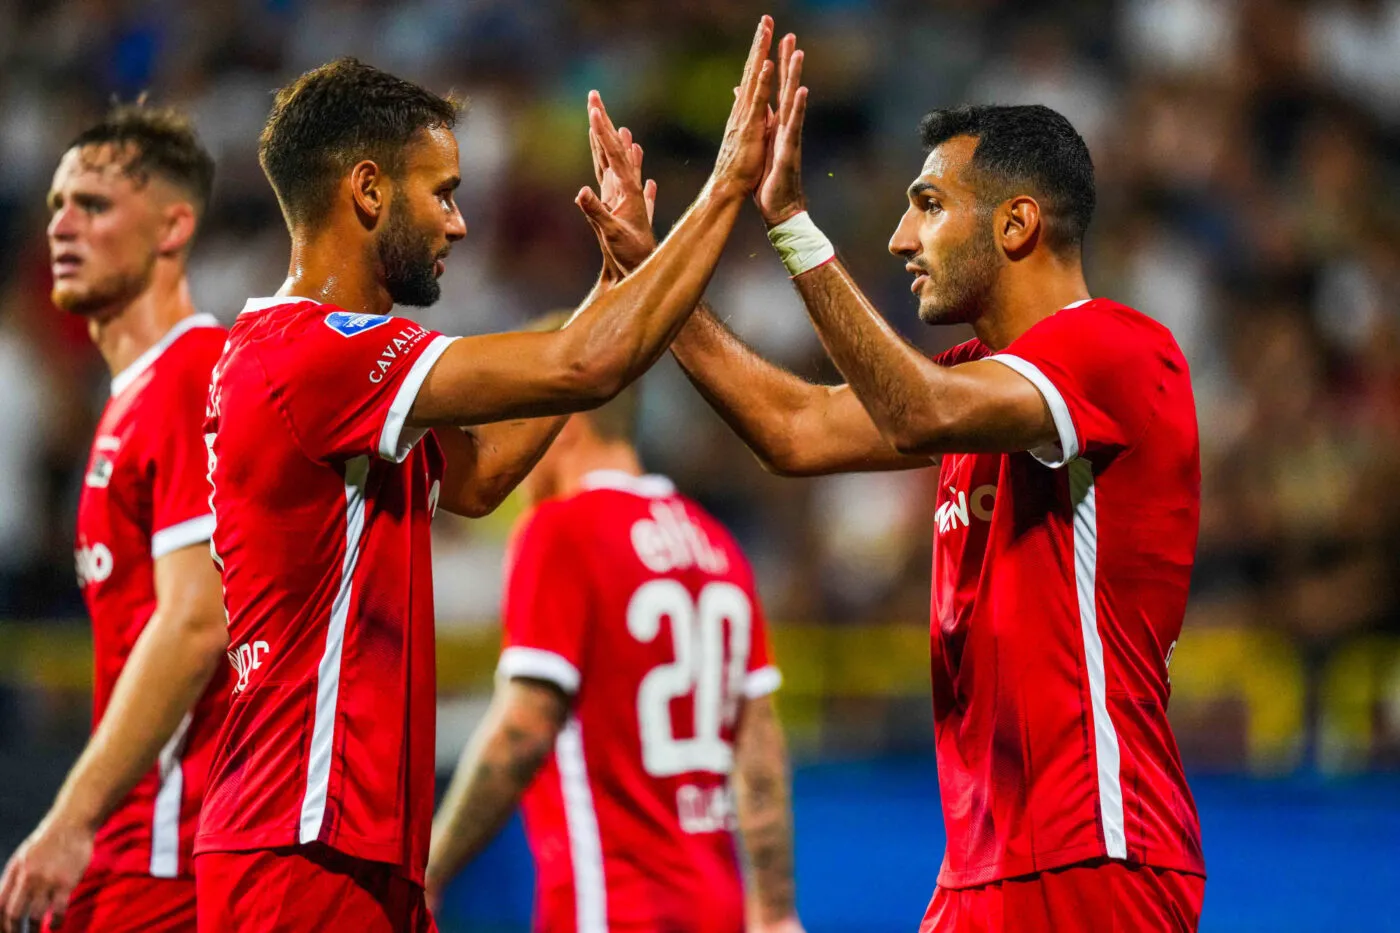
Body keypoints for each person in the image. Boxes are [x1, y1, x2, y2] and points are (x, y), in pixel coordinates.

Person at [578, 34, 1206, 933]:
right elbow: (791, 430)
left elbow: (921, 412)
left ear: (1017, 224)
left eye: (929, 204)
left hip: (1096, 846)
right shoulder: (982, 382)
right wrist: (655, 277)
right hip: (983, 865)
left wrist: (792, 223)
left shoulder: (1116, 351)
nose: (900, 234)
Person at [196, 18, 779, 933]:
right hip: (300, 837)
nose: (461, 222)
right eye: (444, 193)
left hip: (343, 835)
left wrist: (616, 275)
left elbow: (477, 478)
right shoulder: (318, 353)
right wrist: (728, 187)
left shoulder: (316, 367)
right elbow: (584, 368)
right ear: (368, 190)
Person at [425, 337, 802, 933]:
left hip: (612, 905)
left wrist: (431, 870)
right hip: (718, 907)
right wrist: (777, 911)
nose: (505, 453)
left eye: (517, 423)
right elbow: (759, 750)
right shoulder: (717, 545)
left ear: (565, 424)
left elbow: (523, 727)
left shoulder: (561, 532)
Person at [0, 105, 229, 933]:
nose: (62, 223)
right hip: (137, 842)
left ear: (174, 227)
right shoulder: (130, 396)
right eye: (58, 203)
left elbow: (197, 621)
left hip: (171, 851)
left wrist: (70, 817)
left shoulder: (188, 376)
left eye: (94, 205)